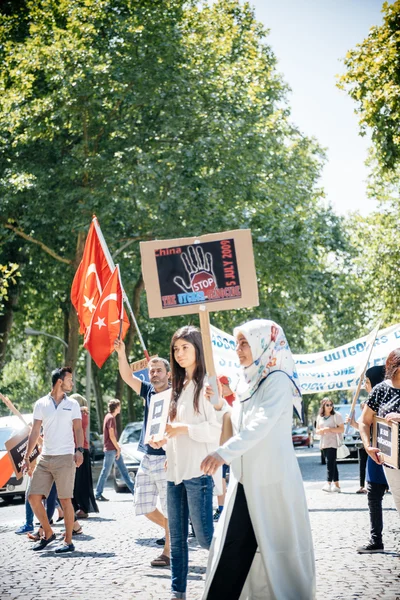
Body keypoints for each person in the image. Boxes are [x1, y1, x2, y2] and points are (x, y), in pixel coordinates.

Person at [200, 319, 315, 600]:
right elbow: (237, 421)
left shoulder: (277, 380)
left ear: (264, 343)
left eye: (245, 343)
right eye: (237, 343)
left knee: (275, 552)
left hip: (271, 482)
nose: (238, 349)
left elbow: (260, 425)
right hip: (245, 481)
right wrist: (220, 403)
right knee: (233, 549)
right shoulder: (247, 380)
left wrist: (222, 453)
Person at [149, 325, 222, 600]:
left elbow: (217, 431)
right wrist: (163, 442)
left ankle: (236, 572)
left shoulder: (207, 386)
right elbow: (171, 432)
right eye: (176, 349)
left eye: (185, 348)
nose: (179, 354)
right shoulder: (175, 389)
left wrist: (182, 430)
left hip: (198, 473)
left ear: (197, 350)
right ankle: (177, 593)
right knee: (177, 540)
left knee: (205, 538)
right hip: (174, 474)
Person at [114, 338, 171, 568]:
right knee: (144, 505)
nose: (154, 374)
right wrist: (121, 353)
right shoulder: (147, 390)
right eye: (151, 371)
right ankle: (174, 529)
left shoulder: (177, 394)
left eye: (159, 370)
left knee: (169, 507)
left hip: (168, 458)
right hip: (147, 457)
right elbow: (127, 376)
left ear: (168, 374)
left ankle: (168, 551)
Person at [23, 366, 84, 553]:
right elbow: (35, 431)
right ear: (60, 381)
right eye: (70, 379)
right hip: (45, 457)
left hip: (65, 457)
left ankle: (68, 541)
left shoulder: (72, 405)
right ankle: (48, 534)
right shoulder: (41, 404)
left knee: (65, 500)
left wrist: (79, 450)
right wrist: (27, 456)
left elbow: (78, 429)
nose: (72, 382)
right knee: (33, 497)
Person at [359, 353, 400, 545]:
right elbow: (364, 422)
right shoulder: (380, 390)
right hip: (390, 463)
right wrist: (368, 445)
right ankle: (377, 540)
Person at [349, 365, 388, 553]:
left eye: (366, 381)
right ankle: (376, 540)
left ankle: (376, 540)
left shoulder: (382, 398)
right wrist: (356, 424)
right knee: (373, 498)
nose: (365, 385)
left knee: (375, 499)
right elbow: (368, 428)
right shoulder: (372, 400)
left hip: (385, 456)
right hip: (375, 454)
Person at [95, 399, 135, 501]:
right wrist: (118, 447)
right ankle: (98, 494)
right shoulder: (111, 418)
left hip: (113, 449)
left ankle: (135, 492)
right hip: (111, 449)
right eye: (119, 406)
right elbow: (111, 435)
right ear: (116, 407)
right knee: (106, 472)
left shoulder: (108, 417)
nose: (120, 408)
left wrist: (117, 448)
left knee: (124, 471)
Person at [70, 393, 99, 519]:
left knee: (78, 481)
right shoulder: (84, 414)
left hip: (78, 449)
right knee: (81, 481)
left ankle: (81, 507)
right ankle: (80, 507)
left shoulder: (80, 415)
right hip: (82, 448)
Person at [213, 375, 235, 522]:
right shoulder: (213, 402)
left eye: (223, 385)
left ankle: (227, 508)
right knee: (219, 478)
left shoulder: (236, 401)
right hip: (218, 447)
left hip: (233, 447)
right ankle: (221, 508)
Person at [316, 398, 344, 492]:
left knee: (329, 462)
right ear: (323, 406)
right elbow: (317, 431)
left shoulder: (337, 416)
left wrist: (330, 429)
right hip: (324, 443)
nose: (329, 407)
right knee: (333, 464)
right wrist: (322, 431)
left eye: (331, 404)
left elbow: (341, 429)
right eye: (327, 405)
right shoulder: (320, 417)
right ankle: (337, 486)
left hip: (333, 442)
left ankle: (328, 483)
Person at [346, 404, 368, 494]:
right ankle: (362, 486)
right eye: (362, 407)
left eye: (365, 407)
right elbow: (358, 426)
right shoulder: (361, 418)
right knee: (362, 465)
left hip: (372, 444)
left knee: (376, 465)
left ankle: (384, 485)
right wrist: (352, 419)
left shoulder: (373, 416)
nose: (364, 409)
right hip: (362, 445)